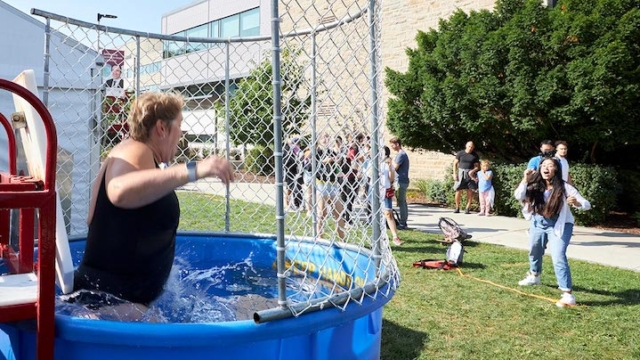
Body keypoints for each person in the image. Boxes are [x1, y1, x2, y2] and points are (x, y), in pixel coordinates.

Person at [70, 92, 234, 319]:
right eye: (180, 124)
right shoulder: (136, 149)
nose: (182, 132)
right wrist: (194, 170)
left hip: (103, 298)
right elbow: (119, 191)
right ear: (161, 128)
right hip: (112, 307)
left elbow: (92, 219)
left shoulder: (130, 155)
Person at [515, 156, 591, 307]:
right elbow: (519, 196)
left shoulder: (563, 186)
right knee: (535, 250)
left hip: (559, 225)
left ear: (556, 169)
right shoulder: (534, 184)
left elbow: (586, 204)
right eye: (543, 165)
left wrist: (576, 203)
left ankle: (568, 294)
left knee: (558, 256)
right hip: (538, 222)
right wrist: (525, 179)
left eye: (550, 165)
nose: (546, 167)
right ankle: (534, 275)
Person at [314, 134, 346, 240]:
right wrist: (324, 161)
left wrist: (337, 162)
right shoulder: (316, 152)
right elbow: (311, 166)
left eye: (327, 137)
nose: (325, 139)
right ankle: (320, 239)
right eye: (323, 137)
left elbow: (336, 167)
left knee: (338, 213)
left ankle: (342, 240)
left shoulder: (331, 152)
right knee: (321, 213)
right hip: (321, 183)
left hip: (333, 184)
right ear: (318, 140)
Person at [381, 146, 402, 245]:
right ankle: (379, 235)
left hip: (386, 190)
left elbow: (391, 179)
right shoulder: (373, 163)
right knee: (376, 214)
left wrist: (390, 167)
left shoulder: (388, 164)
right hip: (375, 191)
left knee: (388, 213)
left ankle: (395, 236)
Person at [453, 141, 479, 214]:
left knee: (469, 191)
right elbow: (455, 163)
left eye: (472, 147)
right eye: (469, 146)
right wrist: (455, 174)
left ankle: (467, 208)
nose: (470, 148)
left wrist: (473, 171)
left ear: (473, 147)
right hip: (461, 172)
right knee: (458, 190)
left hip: (470, 174)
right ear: (466, 146)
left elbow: (477, 166)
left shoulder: (475, 155)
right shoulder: (460, 153)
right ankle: (457, 207)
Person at [389, 136, 410, 229]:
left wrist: (389, 163)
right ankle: (403, 221)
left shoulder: (401, 154)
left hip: (401, 181)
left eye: (392, 145)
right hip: (401, 180)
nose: (392, 146)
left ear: (397, 144)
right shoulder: (400, 154)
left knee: (401, 201)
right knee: (402, 201)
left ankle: (402, 222)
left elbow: (395, 168)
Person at [283, 137, 303, 211]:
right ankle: (288, 204)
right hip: (289, 173)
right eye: (296, 143)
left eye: (298, 144)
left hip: (296, 173)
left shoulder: (297, 151)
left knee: (294, 189)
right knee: (290, 189)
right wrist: (296, 161)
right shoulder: (287, 150)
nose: (298, 145)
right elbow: (286, 162)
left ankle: (296, 204)